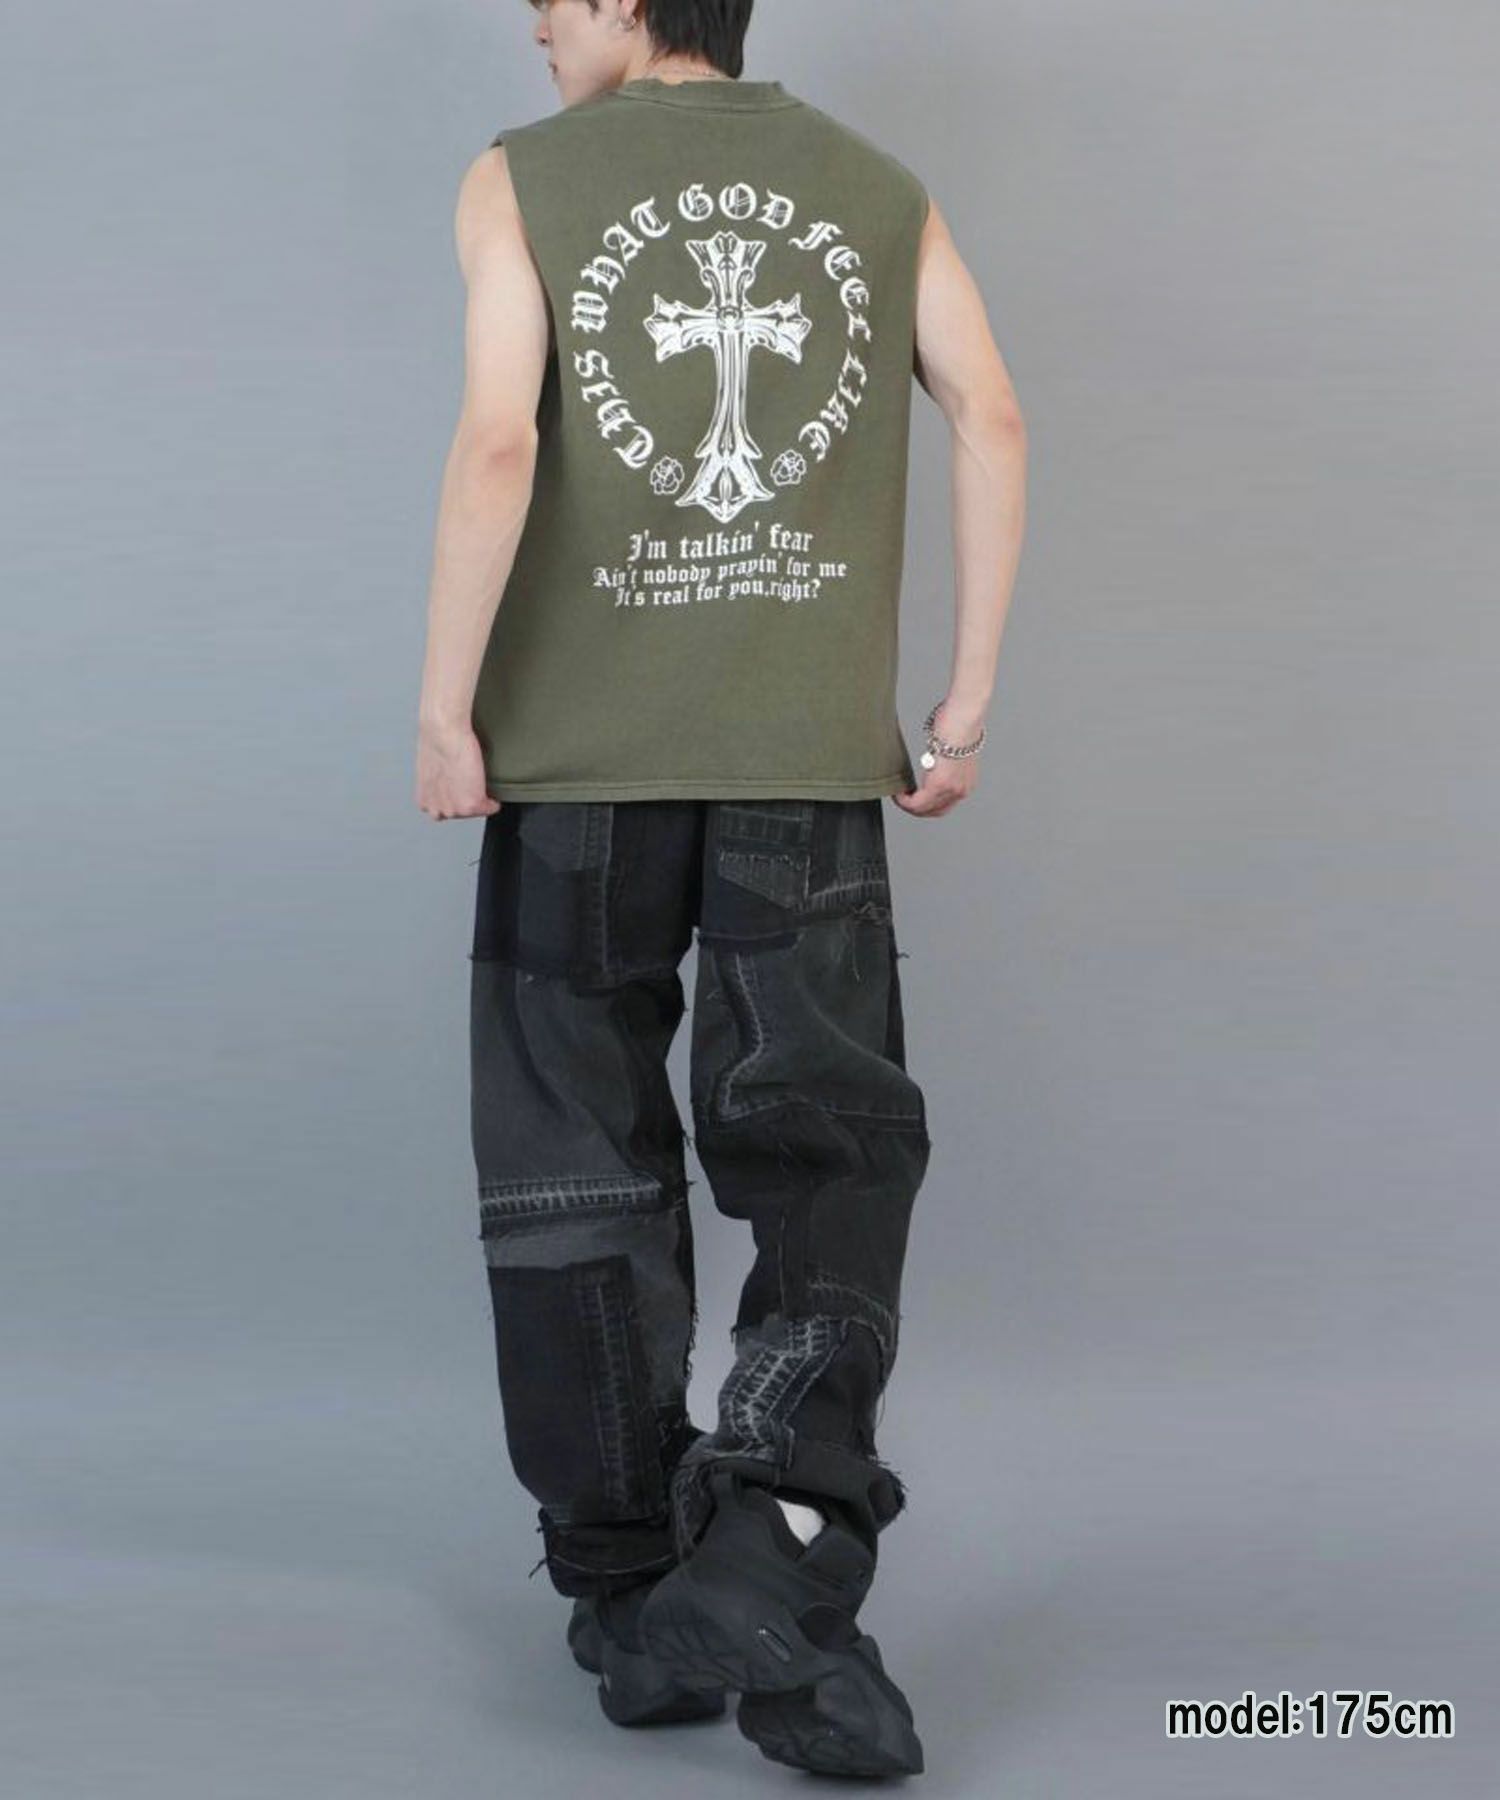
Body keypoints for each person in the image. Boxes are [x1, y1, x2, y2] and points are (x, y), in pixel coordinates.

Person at [415, 0, 1026, 1778]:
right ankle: (780, 1538)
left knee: (575, 1168)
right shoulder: (874, 185)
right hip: (800, 778)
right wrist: (963, 702)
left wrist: (445, 705)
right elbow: (991, 414)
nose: (533, 20)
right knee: (829, 1155)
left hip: (575, 783)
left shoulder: (522, 178)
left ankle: (630, 1589)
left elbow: (502, 440)